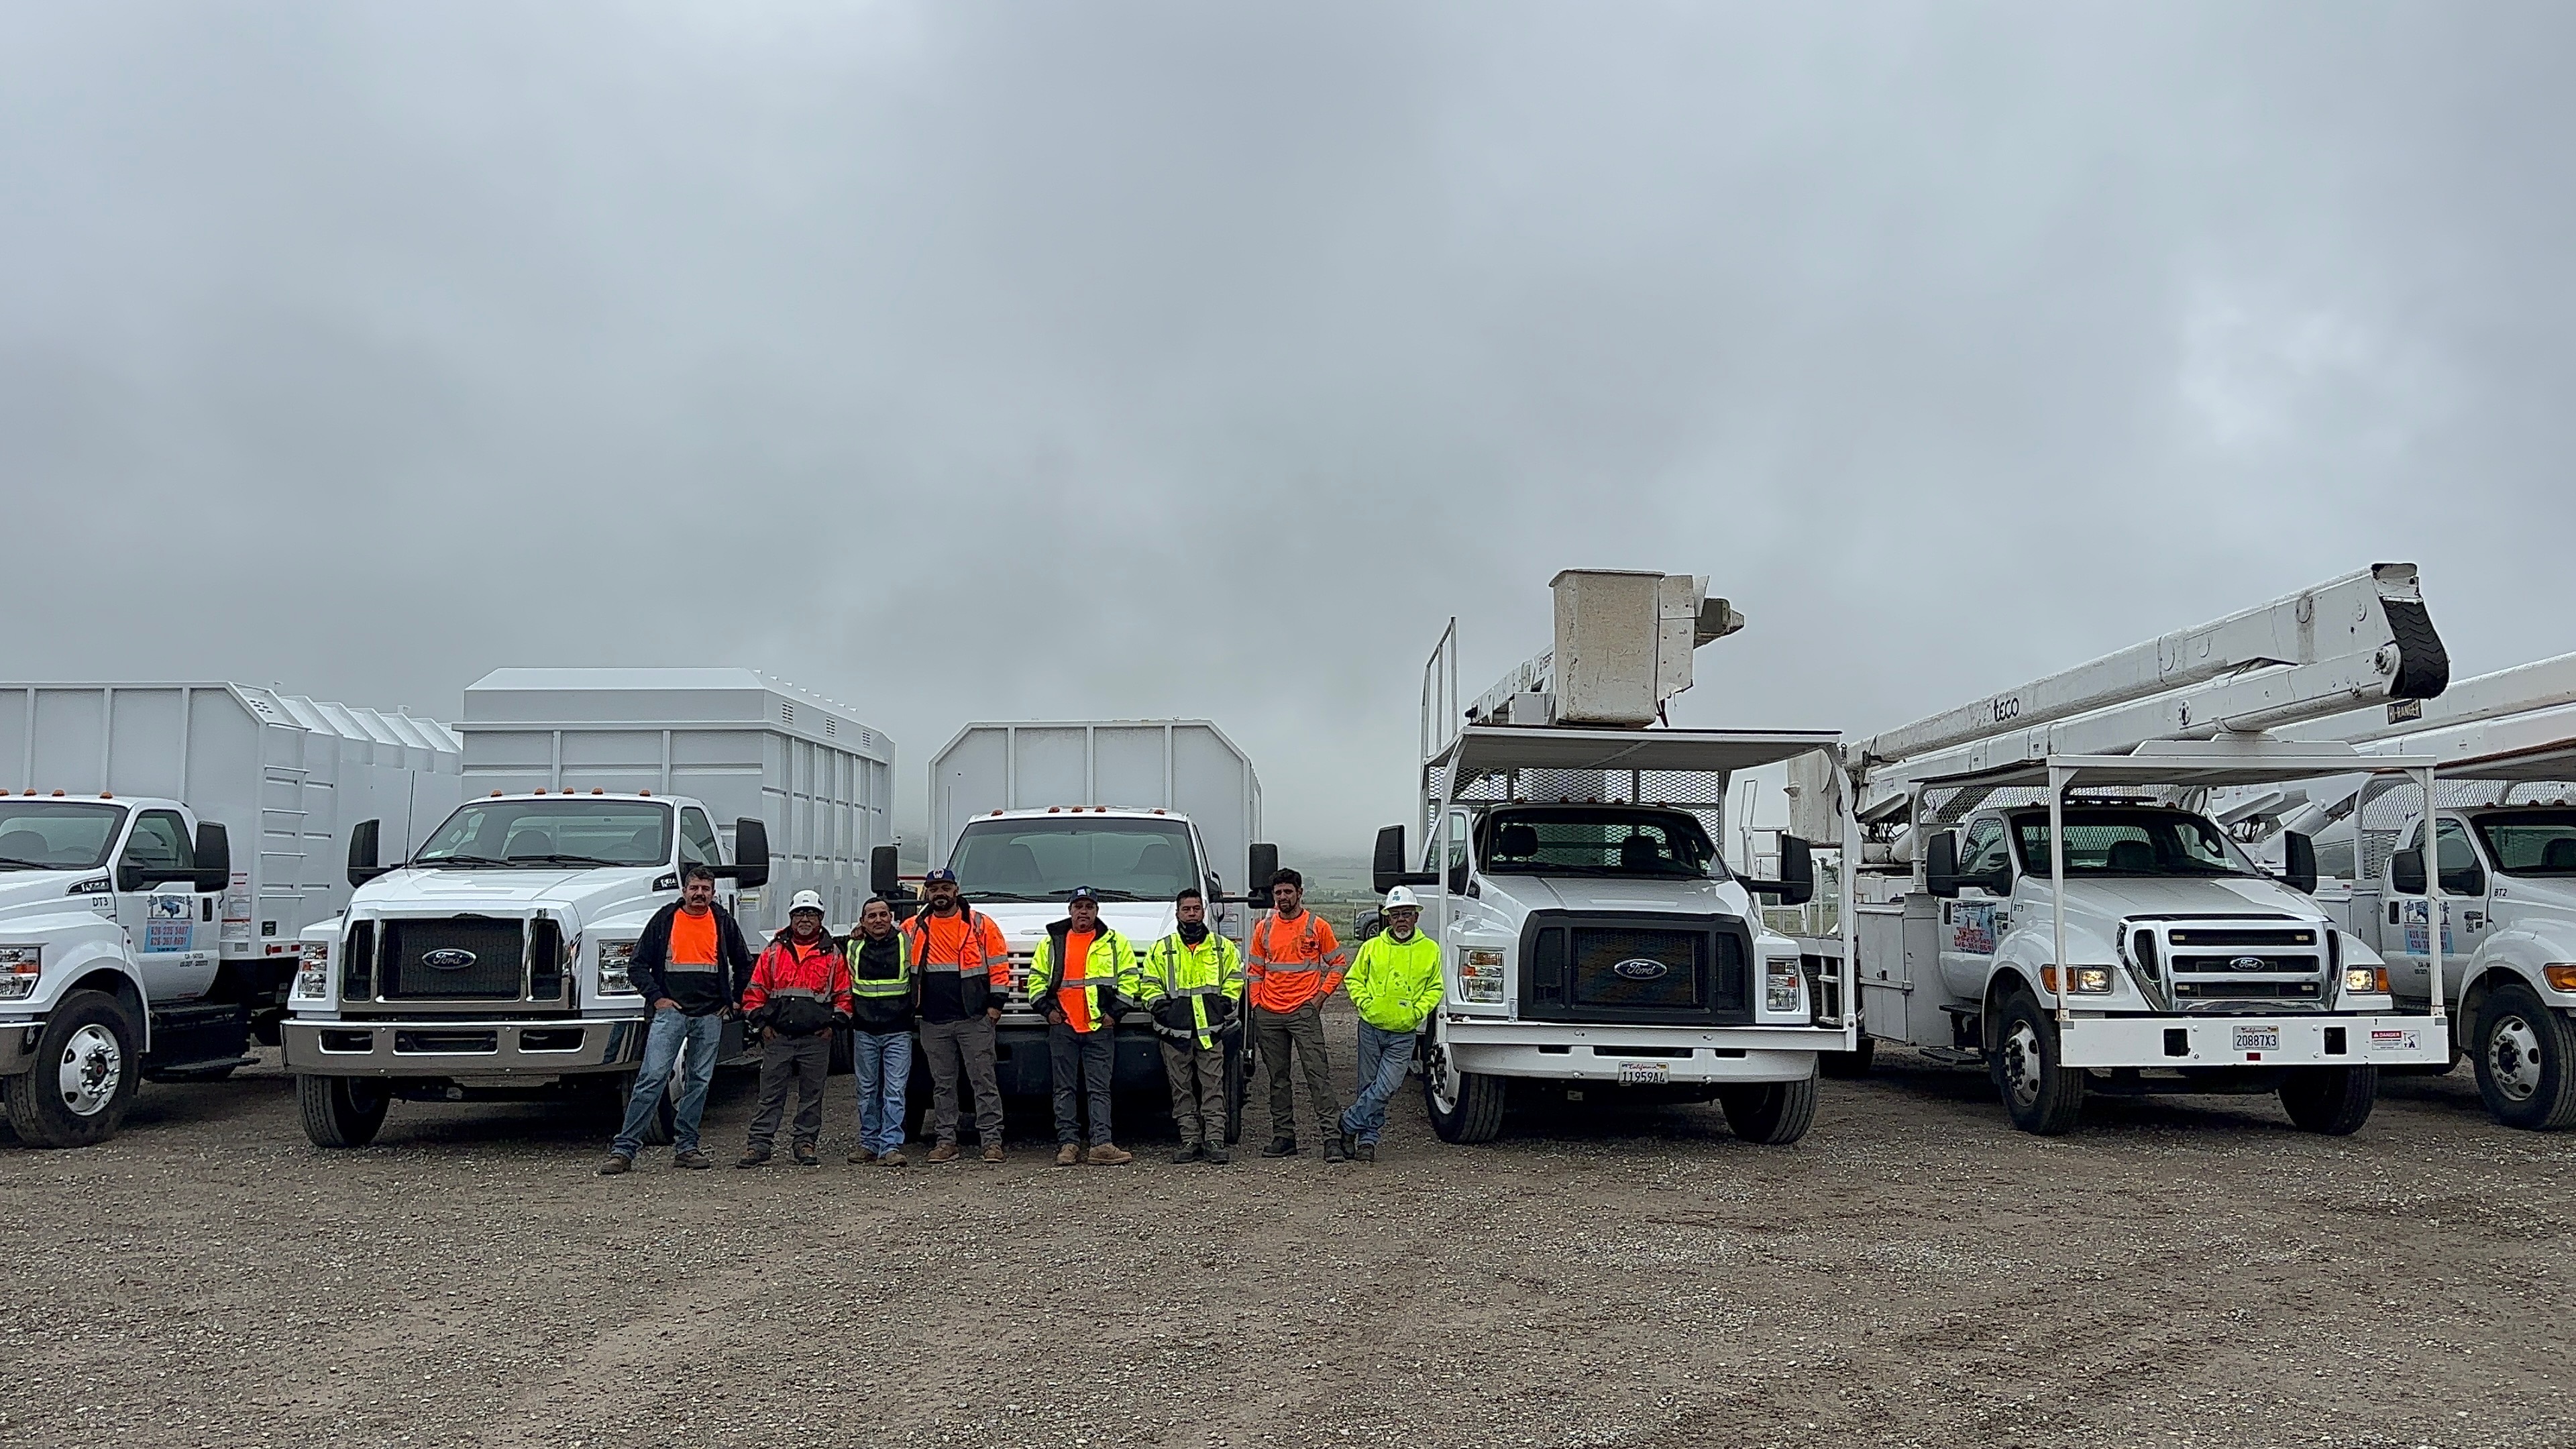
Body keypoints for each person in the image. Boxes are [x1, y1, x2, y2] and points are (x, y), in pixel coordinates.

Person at [600, 864, 754, 1174]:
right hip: (670, 1015)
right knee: (651, 1079)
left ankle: (687, 1148)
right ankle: (624, 1150)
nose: (699, 894)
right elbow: (637, 965)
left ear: (713, 893)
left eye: (705, 889)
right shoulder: (664, 920)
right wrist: (658, 999)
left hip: (710, 1016)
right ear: (684, 890)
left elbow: (744, 963)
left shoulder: (723, 922)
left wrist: (734, 1002)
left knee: (699, 1083)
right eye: (694, 888)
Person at [737, 890, 853, 1167]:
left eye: (811, 913)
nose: (805, 919)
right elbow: (754, 994)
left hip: (816, 1039)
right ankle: (759, 1145)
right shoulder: (773, 952)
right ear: (791, 917)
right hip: (779, 1037)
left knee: (812, 1096)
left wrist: (832, 1026)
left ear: (821, 918)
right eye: (800, 913)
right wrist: (762, 1025)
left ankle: (805, 1144)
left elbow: (845, 997)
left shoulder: (834, 955)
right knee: (770, 1095)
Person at [1024, 885, 1138, 1166]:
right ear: (1070, 911)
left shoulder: (1115, 943)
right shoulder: (1052, 943)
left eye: (1089, 907)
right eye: (1078, 907)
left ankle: (1101, 1144)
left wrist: (1114, 1014)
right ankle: (1068, 1144)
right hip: (1064, 1027)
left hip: (1099, 1027)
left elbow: (1130, 981)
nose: (1083, 912)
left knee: (1100, 1089)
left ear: (1097, 911)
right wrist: (1047, 1012)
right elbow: (1035, 982)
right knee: (1064, 1089)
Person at [904, 867, 1010, 1164]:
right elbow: (884, 943)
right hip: (932, 1021)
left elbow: (1000, 967)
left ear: (956, 890)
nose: (940, 893)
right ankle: (946, 1141)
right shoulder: (913, 927)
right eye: (934, 888)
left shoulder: (980, 924)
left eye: (946, 887)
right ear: (926, 892)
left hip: (974, 1019)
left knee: (984, 1082)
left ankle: (991, 1142)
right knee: (942, 1085)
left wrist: (995, 1007)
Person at [1136, 885, 1245, 1165]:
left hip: (1211, 1033)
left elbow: (1235, 980)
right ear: (1177, 913)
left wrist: (1224, 1006)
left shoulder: (1222, 948)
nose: (1192, 914)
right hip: (1174, 1034)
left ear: (1204, 912)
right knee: (1181, 1088)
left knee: (1213, 1087)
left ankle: (1214, 1140)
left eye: (1197, 909)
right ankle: (1189, 1140)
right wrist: (1162, 1010)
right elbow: (1148, 984)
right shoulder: (1162, 949)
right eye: (1187, 909)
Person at [1247, 867, 1349, 1161]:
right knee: (1278, 1079)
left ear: (1300, 893)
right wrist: (1256, 1004)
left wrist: (1319, 999)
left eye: (1288, 892)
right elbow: (1255, 970)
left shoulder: (1318, 926)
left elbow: (1338, 963)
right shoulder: (1263, 929)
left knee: (1318, 1076)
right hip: (1269, 1013)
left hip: (1304, 1012)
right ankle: (1284, 1137)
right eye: (1278, 893)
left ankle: (1331, 1139)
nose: (1282, 897)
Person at [1337, 885, 1444, 1162]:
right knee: (1368, 1085)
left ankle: (1348, 1123)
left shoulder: (1430, 950)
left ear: (1416, 917)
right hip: (1371, 1027)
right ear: (1387, 917)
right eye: (1396, 914)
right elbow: (1353, 980)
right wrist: (1367, 1005)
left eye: (1406, 913)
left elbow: (1435, 988)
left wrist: (1416, 1013)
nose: (1401, 920)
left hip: (1404, 1032)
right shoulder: (1372, 947)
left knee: (1387, 1086)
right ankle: (1367, 1142)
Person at [843, 895, 915, 1166]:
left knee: (895, 1091)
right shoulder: (852, 946)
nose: (878, 920)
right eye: (871, 916)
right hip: (864, 1031)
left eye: (883, 915)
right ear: (862, 922)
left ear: (892, 918)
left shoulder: (905, 942)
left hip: (898, 1030)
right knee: (867, 1090)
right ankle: (869, 1144)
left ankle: (890, 1147)